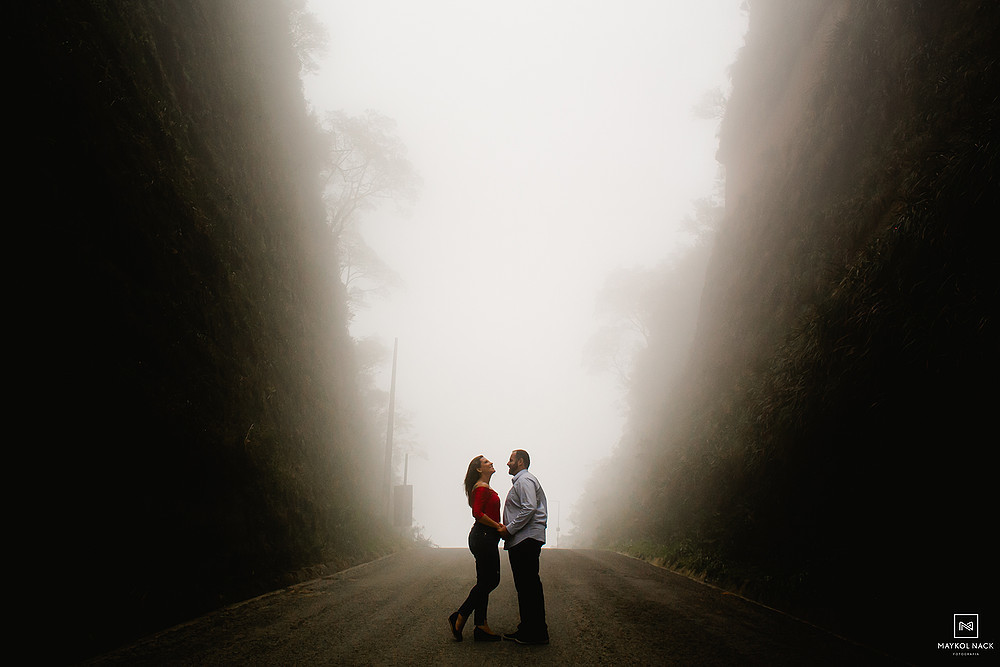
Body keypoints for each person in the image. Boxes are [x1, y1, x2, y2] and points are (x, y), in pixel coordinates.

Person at [449, 455, 505, 642]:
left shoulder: (484, 487)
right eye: (486, 462)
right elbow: (477, 513)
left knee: (484, 581)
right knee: (491, 580)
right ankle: (461, 615)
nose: (491, 463)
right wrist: (497, 525)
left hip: (484, 537)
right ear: (480, 469)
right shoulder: (481, 487)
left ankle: (481, 626)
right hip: (483, 537)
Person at [500, 449, 549, 645]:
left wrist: (509, 530)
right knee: (526, 586)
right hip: (522, 539)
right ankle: (528, 628)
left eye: (511, 460)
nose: (507, 463)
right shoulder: (522, 481)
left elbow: (529, 507)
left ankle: (536, 633)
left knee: (528, 586)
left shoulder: (525, 480)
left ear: (520, 462)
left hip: (525, 539)